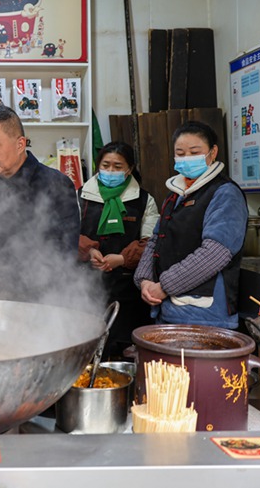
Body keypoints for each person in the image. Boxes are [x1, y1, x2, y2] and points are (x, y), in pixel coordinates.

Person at [0, 104, 80, 301]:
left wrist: (0, 282)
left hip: (40, 306)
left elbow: (61, 255)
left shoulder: (56, 185)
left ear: (20, 144)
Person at [133, 121, 247, 329]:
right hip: (168, 309)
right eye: (180, 153)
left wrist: (165, 286)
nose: (187, 159)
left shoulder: (225, 193)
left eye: (194, 152)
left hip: (204, 315)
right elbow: (156, 240)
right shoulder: (175, 194)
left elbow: (216, 253)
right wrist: (144, 281)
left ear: (213, 153)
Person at [78, 141, 159, 359]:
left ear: (129, 169)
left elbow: (151, 241)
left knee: (124, 352)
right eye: (106, 165)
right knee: (87, 346)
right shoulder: (81, 197)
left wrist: (122, 259)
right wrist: (88, 250)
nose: (110, 171)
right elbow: (66, 233)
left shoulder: (144, 201)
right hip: (85, 288)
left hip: (128, 292)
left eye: (117, 166)